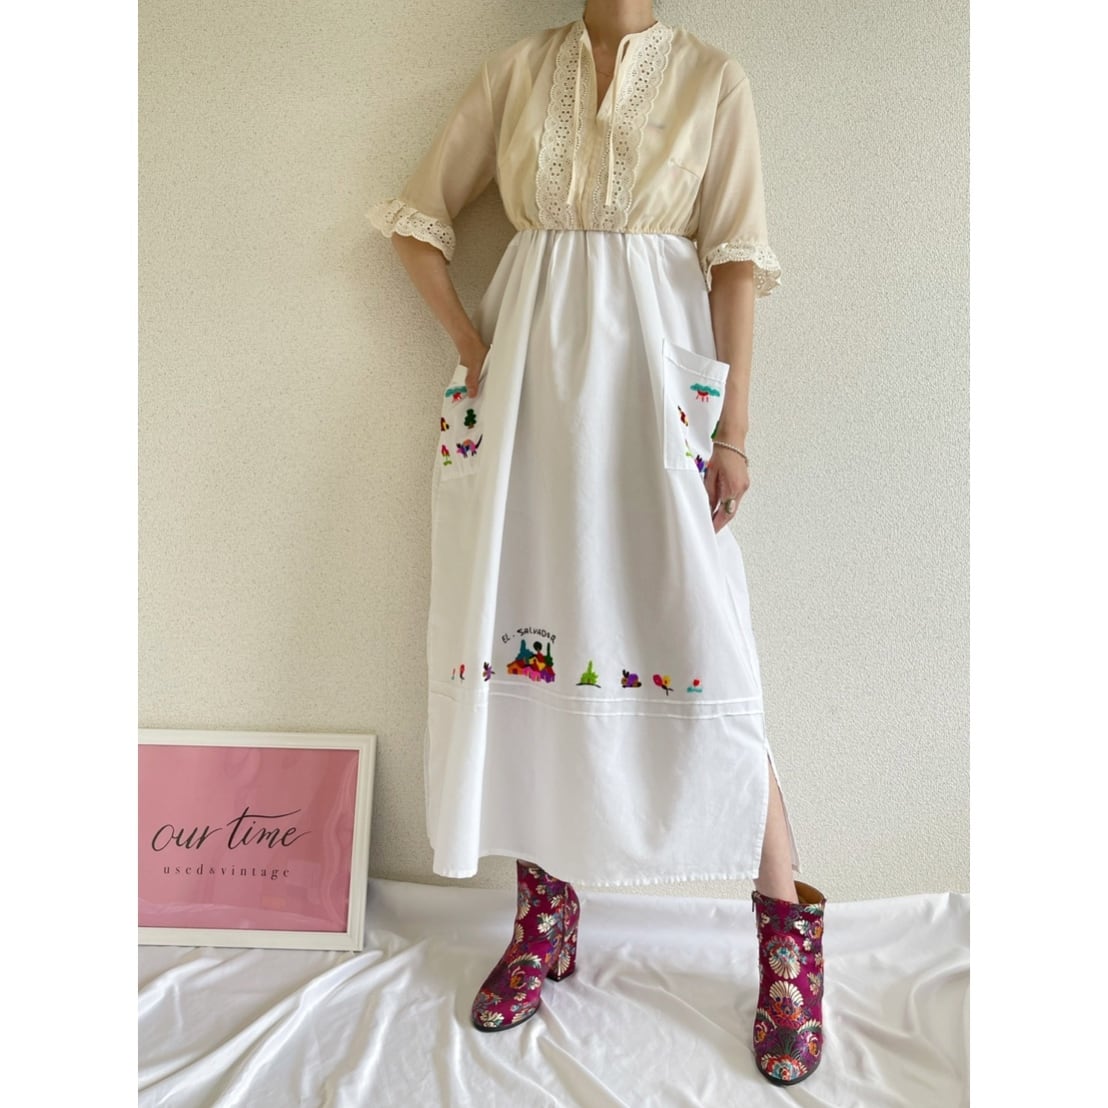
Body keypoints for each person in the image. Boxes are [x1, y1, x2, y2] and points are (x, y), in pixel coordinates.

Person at [368, 0, 828, 1086]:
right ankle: (546, 915)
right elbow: (414, 221)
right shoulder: (517, 73)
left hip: (657, 391)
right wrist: (475, 348)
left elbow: (733, 263)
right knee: (533, 627)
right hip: (528, 399)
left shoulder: (713, 79)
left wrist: (734, 430)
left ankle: (787, 941)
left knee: (705, 642)